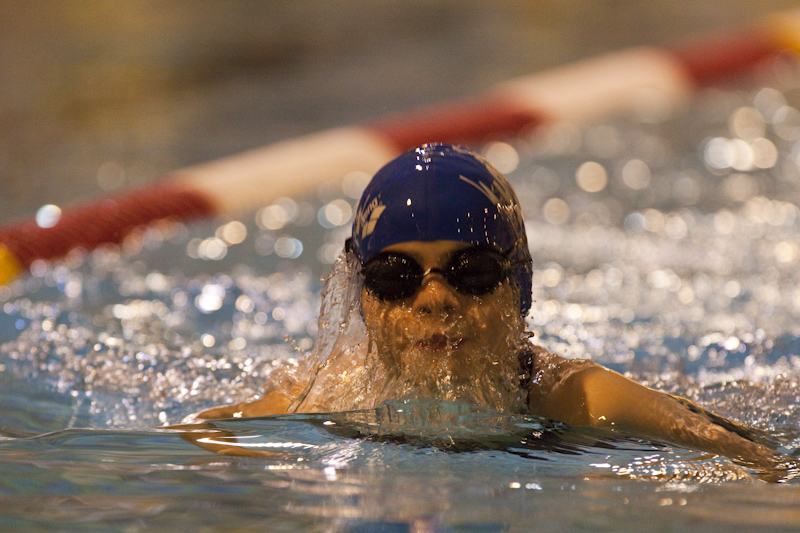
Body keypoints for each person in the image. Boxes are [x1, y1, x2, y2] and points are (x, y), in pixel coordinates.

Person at [194, 143, 786, 470]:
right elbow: (200, 438)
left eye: (470, 272)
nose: (434, 299)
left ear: (518, 286)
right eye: (396, 277)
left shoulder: (576, 398)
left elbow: (761, 458)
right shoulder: (329, 396)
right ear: (362, 295)